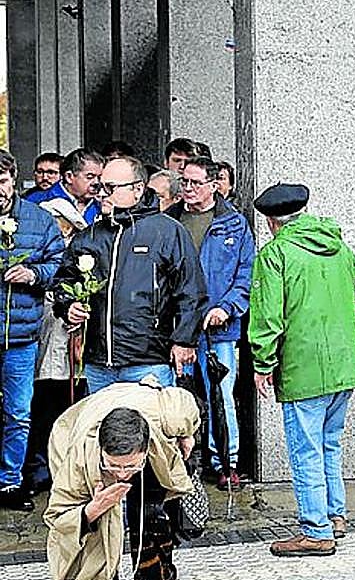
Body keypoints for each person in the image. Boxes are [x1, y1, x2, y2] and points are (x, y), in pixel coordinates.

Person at [250, 183, 355, 555]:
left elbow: (267, 317)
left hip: (302, 367)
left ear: (271, 222)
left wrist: (263, 363)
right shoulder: (339, 247)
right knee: (329, 443)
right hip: (345, 363)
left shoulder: (275, 253)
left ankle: (315, 530)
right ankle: (334, 515)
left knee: (306, 448)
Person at [44, 380, 199, 580]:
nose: (123, 473)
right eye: (115, 466)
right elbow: (57, 518)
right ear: (103, 451)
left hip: (143, 419)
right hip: (79, 428)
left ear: (145, 449)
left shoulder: (166, 418)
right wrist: (93, 509)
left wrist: (188, 433)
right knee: (101, 523)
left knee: (153, 513)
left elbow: (186, 404)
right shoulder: (80, 457)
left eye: (130, 466)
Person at [52, 156, 206, 393]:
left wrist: (184, 341)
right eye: (99, 186)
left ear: (137, 189)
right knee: (101, 428)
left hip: (148, 360)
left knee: (149, 427)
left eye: (110, 187)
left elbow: (191, 291)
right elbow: (63, 281)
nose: (102, 193)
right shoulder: (89, 235)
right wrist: (68, 306)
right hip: (98, 361)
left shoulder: (167, 231)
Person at [165, 157, 255, 491]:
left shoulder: (233, 223)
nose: (187, 189)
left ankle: (225, 462)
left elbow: (246, 275)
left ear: (214, 184)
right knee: (179, 396)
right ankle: (181, 461)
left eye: (194, 183)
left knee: (221, 396)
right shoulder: (169, 220)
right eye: (183, 182)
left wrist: (227, 307)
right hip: (179, 327)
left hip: (219, 327)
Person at [0, 150, 66, 511]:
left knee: (18, 412)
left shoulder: (38, 220)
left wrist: (33, 275)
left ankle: (10, 482)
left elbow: (59, 262)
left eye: (3, 181)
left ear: (14, 180)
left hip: (21, 337)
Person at [23, 198, 88, 495]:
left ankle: (66, 467)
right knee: (39, 407)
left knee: (68, 406)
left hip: (70, 346)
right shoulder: (35, 250)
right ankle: (39, 468)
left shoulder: (79, 254)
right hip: (40, 340)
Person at [26, 148, 103, 225]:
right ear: (69, 177)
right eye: (90, 177)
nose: (96, 182)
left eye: (99, 177)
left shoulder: (103, 203)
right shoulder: (35, 203)